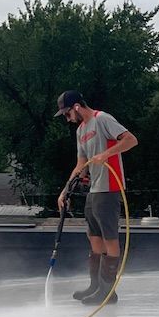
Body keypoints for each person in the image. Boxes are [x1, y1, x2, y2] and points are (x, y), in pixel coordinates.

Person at [55, 90, 138, 305]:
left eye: (67, 114)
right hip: (94, 190)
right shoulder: (81, 131)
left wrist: (106, 154)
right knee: (94, 238)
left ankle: (108, 292)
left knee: (110, 239)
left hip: (109, 188)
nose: (67, 119)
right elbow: (80, 166)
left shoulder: (103, 119)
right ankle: (95, 286)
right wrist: (65, 191)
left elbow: (131, 140)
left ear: (76, 107)